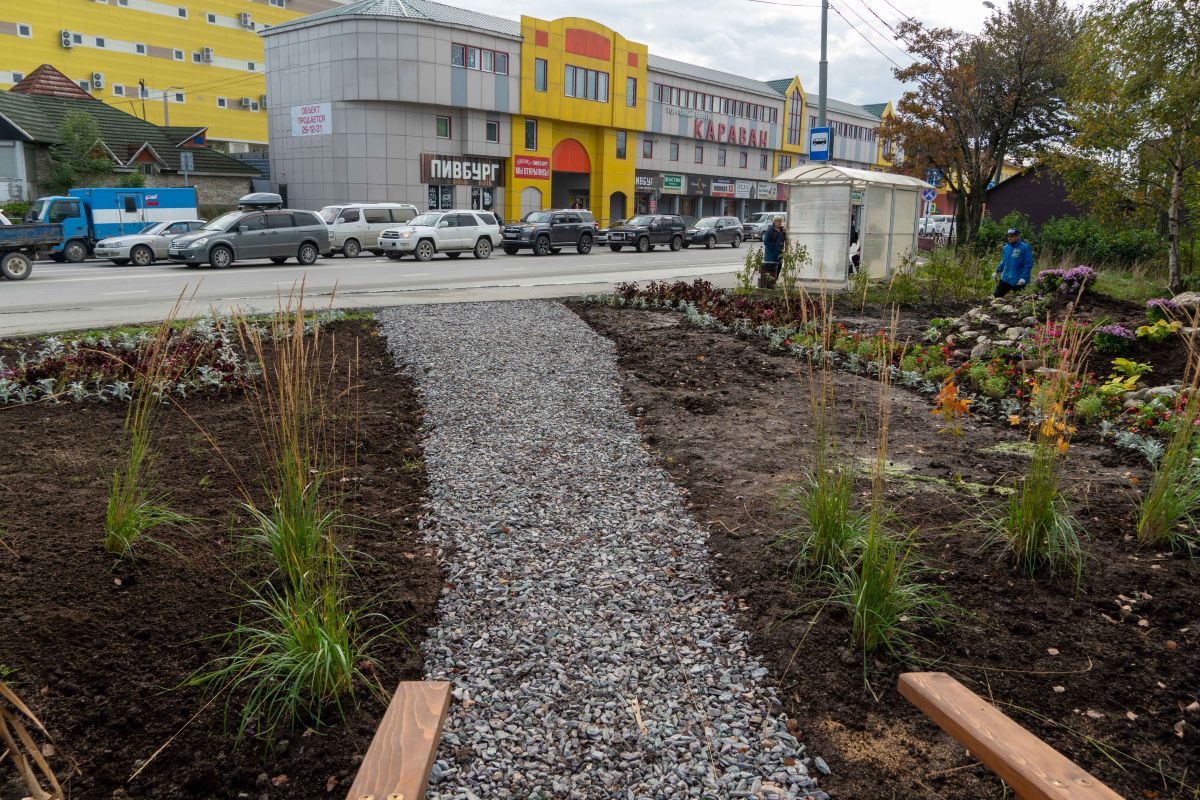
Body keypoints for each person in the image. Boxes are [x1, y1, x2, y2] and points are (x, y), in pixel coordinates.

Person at [994, 227, 1033, 297]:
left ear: (1017, 236)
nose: (1009, 238)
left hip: (1018, 280)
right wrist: (997, 271)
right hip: (1005, 278)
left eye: (1012, 236)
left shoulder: (1025, 248)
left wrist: (1023, 277)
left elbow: (1028, 264)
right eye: (1008, 236)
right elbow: (1003, 261)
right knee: (996, 297)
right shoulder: (1006, 248)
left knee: (1019, 301)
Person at [761, 216, 787, 289]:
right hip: (771, 254)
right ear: (774, 222)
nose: (779, 223)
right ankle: (769, 285)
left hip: (780, 253)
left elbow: (784, 239)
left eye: (780, 221)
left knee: (779, 267)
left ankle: (774, 282)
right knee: (770, 268)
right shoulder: (770, 230)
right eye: (778, 221)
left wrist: (785, 233)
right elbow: (766, 241)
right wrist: (772, 248)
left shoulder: (782, 230)